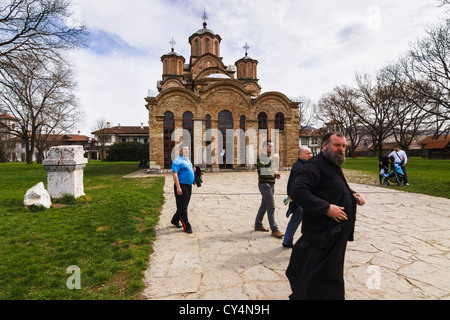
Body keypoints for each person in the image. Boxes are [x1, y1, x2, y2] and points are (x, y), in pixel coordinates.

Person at [285, 132, 365, 300]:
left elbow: (334, 186)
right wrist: (327, 208)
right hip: (323, 234)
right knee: (322, 278)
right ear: (324, 146)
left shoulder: (332, 163)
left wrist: (352, 193)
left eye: (343, 146)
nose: (341, 149)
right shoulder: (314, 165)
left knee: (326, 275)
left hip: (335, 234)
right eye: (337, 145)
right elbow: (298, 191)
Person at [282, 147, 313, 248]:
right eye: (308, 153)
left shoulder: (302, 165)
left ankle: (287, 241)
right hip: (301, 198)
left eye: (311, 153)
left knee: (295, 219)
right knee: (310, 220)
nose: (311, 155)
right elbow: (295, 183)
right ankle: (310, 244)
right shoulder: (300, 167)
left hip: (297, 197)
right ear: (301, 155)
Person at [254, 140, 284, 238]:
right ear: (264, 147)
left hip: (270, 184)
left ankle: (258, 224)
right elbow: (263, 165)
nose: (272, 148)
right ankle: (274, 229)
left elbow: (267, 170)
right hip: (264, 185)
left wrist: (275, 175)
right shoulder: (260, 157)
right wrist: (272, 158)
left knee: (264, 205)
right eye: (270, 146)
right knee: (271, 206)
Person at [171, 144, 196, 233]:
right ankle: (186, 227)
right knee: (183, 207)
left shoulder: (187, 159)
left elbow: (186, 169)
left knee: (183, 205)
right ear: (180, 151)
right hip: (181, 185)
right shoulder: (177, 161)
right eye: (185, 149)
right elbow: (175, 174)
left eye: (188, 149)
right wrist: (178, 187)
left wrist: (193, 170)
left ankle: (174, 220)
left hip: (188, 185)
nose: (187, 151)